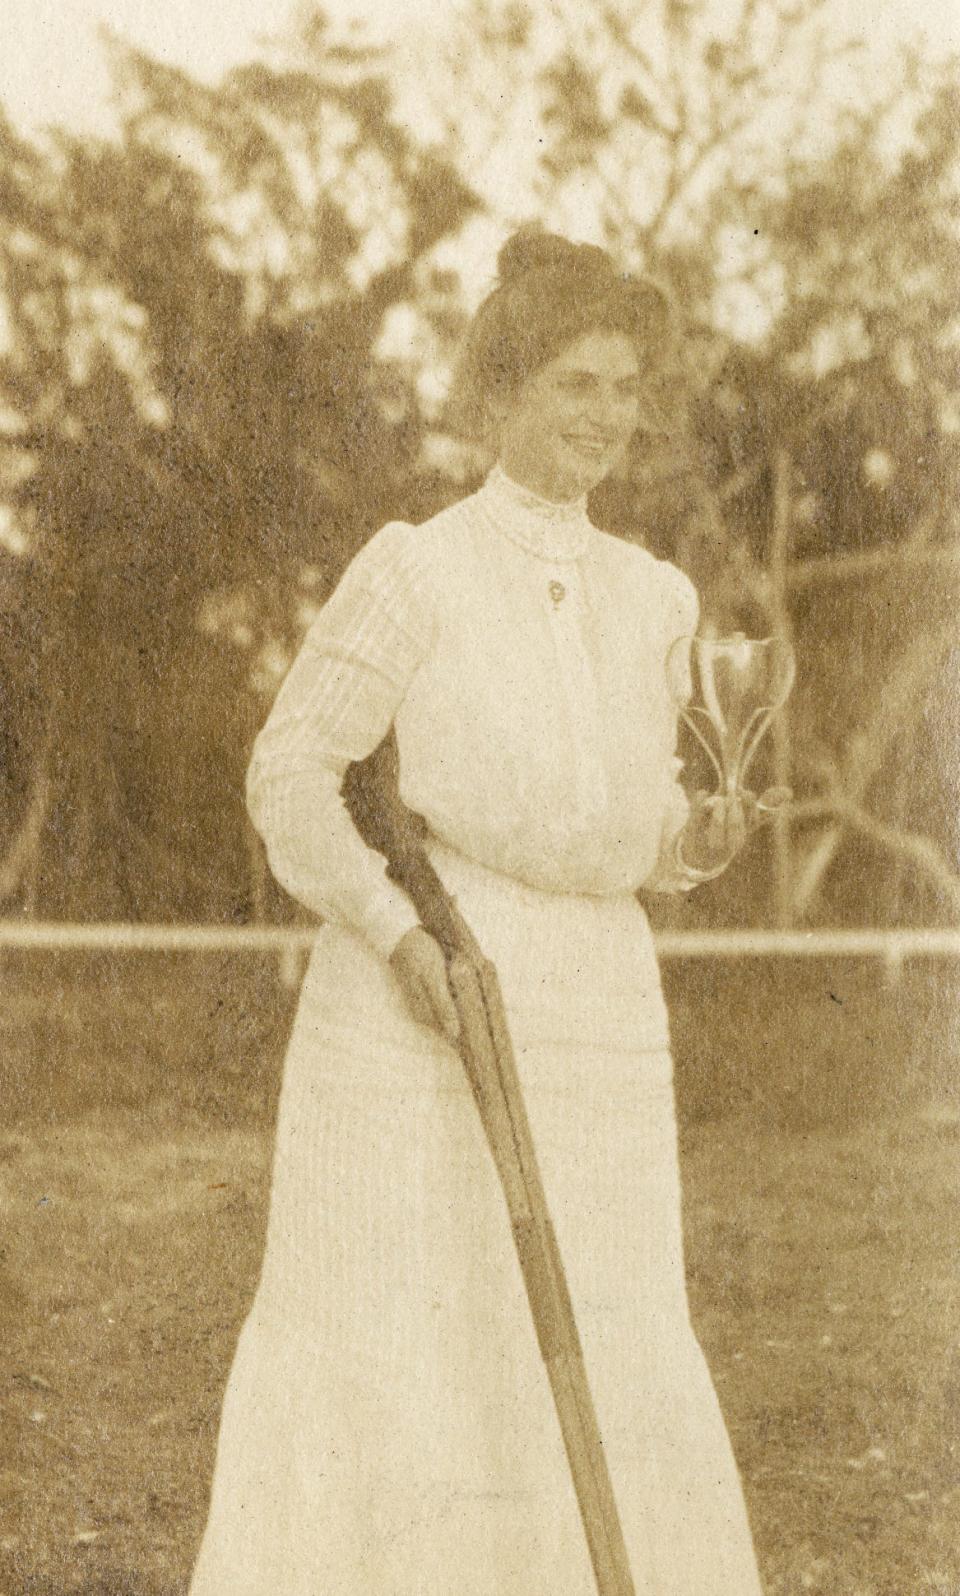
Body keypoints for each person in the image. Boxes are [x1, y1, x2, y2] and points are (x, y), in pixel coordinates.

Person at [188, 229, 764, 1595]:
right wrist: (398, 938)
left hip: (600, 1007)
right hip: (418, 999)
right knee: (405, 1332)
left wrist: (698, 843)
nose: (606, 414)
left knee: (605, 1327)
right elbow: (290, 775)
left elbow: (640, 819)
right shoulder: (418, 568)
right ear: (499, 391)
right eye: (575, 381)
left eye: (625, 385)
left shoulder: (657, 598)